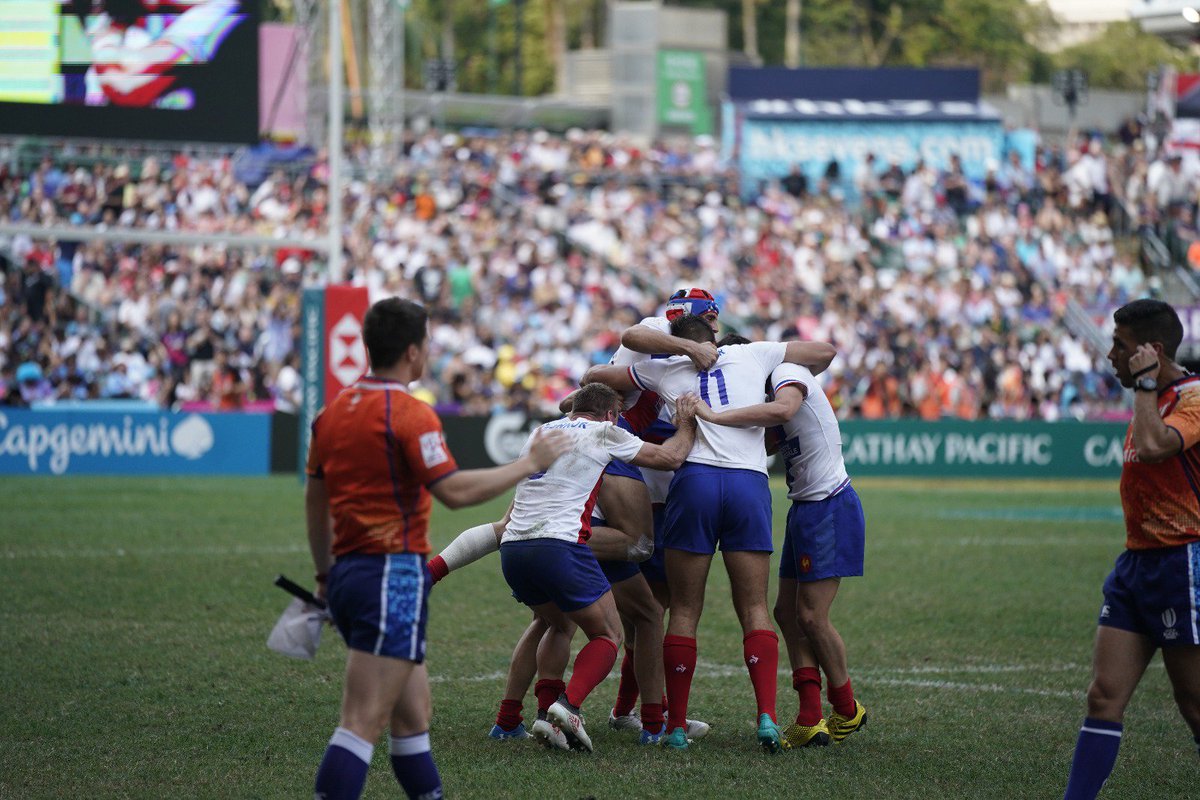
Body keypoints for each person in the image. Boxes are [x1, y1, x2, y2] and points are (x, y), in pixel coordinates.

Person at [304, 297, 570, 800]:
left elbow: (314, 502)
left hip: (348, 575)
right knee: (361, 721)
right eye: (426, 342)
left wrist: (324, 577)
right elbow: (453, 492)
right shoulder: (409, 414)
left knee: (413, 718)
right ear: (411, 352)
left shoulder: (330, 415)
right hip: (391, 577)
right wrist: (526, 464)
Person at [584, 315, 836, 752]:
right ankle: (767, 720)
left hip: (694, 482)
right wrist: (775, 360)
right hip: (747, 484)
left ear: (677, 343)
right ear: (714, 336)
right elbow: (824, 352)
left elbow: (596, 376)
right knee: (755, 607)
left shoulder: (663, 368)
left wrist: (677, 356)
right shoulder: (752, 352)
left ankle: (677, 727)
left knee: (683, 609)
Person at [498, 382, 700, 752]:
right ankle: (575, 708)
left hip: (514, 548)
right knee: (613, 631)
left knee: (552, 622)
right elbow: (670, 458)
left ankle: (515, 717)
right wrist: (687, 423)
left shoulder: (540, 431)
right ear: (611, 414)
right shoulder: (607, 430)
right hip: (564, 544)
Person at [693, 334, 867, 749]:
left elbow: (786, 408)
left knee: (810, 615)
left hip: (829, 503)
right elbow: (768, 438)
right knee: (786, 613)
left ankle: (845, 708)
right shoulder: (767, 388)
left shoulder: (786, 372)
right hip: (805, 507)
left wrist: (719, 416)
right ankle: (810, 716)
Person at [1062, 299, 1200, 799]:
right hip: (1136, 564)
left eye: (1119, 346)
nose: (1110, 357)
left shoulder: (1193, 397)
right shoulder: (1151, 396)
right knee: (1103, 696)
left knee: (1194, 703)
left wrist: (1144, 385)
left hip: (1183, 562)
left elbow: (1155, 446)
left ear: (1151, 351)